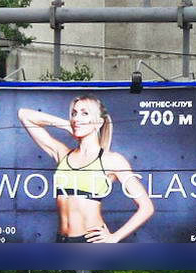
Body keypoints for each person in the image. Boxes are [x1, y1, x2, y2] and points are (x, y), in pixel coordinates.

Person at [17, 94, 156, 245]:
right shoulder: (63, 154)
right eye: (74, 113)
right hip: (62, 240)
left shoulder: (112, 160)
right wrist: (65, 124)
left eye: (85, 113)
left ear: (98, 123)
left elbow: (146, 207)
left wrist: (114, 237)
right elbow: (24, 114)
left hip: (91, 242)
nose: (77, 118)